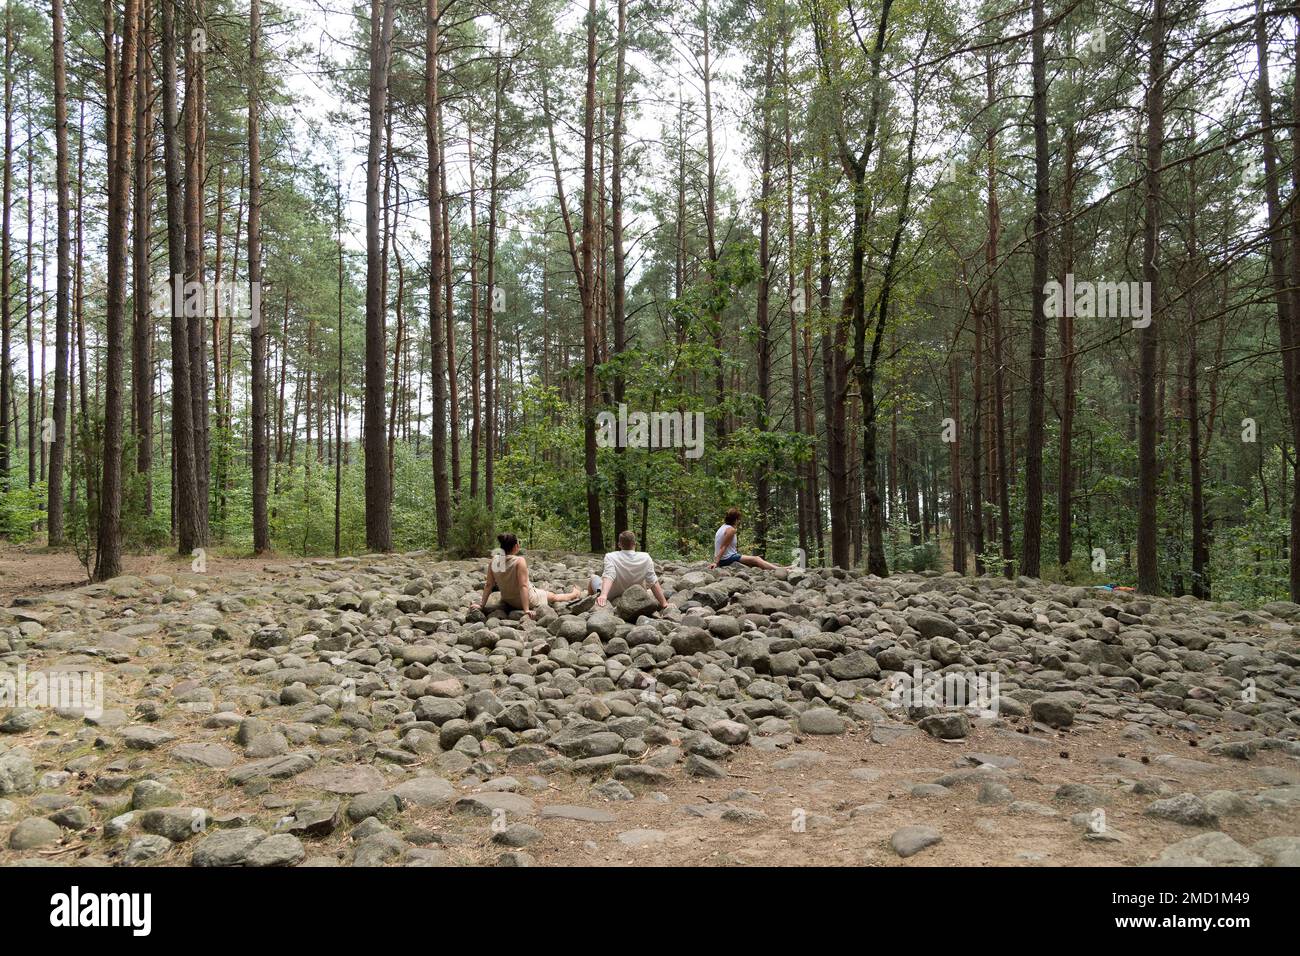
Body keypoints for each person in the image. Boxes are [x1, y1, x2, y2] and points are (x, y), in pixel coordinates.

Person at [470, 533, 582, 618]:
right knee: (553, 596)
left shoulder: (494, 560)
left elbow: (489, 584)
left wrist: (481, 605)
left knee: (537, 589)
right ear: (515, 546)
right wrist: (526, 610)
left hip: (508, 599)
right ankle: (574, 594)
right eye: (518, 543)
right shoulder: (519, 561)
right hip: (525, 600)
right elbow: (523, 586)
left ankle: (570, 593)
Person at [590, 530, 669, 611]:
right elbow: (653, 581)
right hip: (636, 595)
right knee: (644, 581)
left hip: (612, 595)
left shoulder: (610, 556)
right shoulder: (645, 557)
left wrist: (603, 595)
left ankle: (590, 601)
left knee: (593, 577)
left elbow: (609, 576)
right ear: (635, 544)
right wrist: (664, 603)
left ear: (619, 545)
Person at [710, 507, 780, 570]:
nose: (739, 521)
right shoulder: (731, 530)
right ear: (735, 520)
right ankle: (779, 569)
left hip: (725, 557)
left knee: (753, 562)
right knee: (756, 559)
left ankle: (781, 568)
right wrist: (716, 562)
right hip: (726, 559)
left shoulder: (723, 527)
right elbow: (723, 547)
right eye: (739, 519)